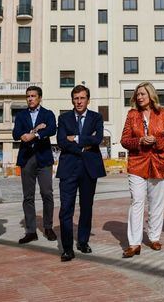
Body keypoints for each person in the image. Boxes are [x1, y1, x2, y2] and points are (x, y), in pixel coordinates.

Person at [120, 82, 164, 258]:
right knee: (137, 201)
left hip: (158, 163)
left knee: (156, 204)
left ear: (151, 95)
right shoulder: (132, 115)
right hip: (137, 163)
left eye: (142, 94)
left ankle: (154, 238)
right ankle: (134, 243)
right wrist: (139, 142)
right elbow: (124, 140)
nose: (139, 97)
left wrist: (157, 142)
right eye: (137, 94)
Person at [56, 85, 106, 262]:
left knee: (86, 207)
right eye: (76, 98)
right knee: (65, 209)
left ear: (88, 100)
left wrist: (75, 138)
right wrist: (85, 143)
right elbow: (61, 141)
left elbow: (98, 139)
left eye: (82, 98)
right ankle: (67, 248)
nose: (79, 102)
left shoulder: (96, 117)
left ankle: (83, 241)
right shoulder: (63, 118)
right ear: (72, 100)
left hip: (89, 169)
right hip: (68, 168)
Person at [13, 85, 58, 244]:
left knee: (47, 193)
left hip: (43, 158)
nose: (30, 99)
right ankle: (31, 231)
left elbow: (52, 129)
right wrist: (36, 129)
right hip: (26, 159)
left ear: (39, 98)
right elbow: (16, 134)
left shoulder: (48, 114)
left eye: (33, 96)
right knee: (28, 196)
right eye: (28, 96)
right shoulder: (20, 115)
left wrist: (35, 134)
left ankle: (48, 227)